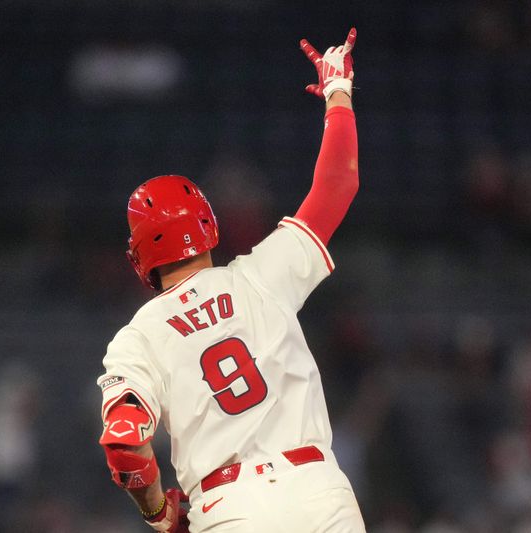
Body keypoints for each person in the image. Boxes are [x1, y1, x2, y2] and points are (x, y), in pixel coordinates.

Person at [96, 27, 365, 533]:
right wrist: (338, 93)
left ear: (141, 258)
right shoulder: (262, 274)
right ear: (208, 225)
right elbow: (339, 184)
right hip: (319, 491)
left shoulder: (138, 337)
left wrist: (159, 513)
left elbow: (125, 442)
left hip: (232, 506)